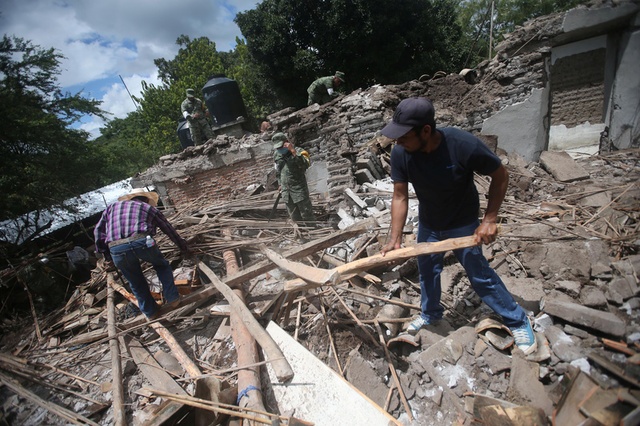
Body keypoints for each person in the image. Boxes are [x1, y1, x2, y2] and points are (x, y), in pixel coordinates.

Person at [379, 97, 537, 355]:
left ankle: (517, 320)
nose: (397, 143)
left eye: (404, 136)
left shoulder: (462, 145)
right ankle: (431, 313)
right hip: (430, 223)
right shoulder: (401, 153)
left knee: (480, 275)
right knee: (427, 269)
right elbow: (399, 195)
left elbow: (500, 176)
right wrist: (395, 237)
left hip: (463, 223)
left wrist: (489, 220)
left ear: (426, 131)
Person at [94, 188, 189, 320]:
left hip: (117, 247)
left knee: (135, 280)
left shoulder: (112, 207)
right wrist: (184, 248)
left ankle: (150, 312)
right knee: (161, 266)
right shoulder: (149, 208)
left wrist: (106, 255)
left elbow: (98, 232)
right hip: (142, 242)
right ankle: (173, 298)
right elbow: (169, 230)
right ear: (145, 199)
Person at [272, 133, 316, 228]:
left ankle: (314, 234)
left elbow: (305, 165)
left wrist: (293, 151)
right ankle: (303, 236)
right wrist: (280, 184)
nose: (279, 149)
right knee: (294, 216)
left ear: (286, 142)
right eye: (277, 148)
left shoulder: (299, 152)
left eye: (281, 146)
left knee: (306, 214)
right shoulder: (276, 155)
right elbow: (278, 171)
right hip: (286, 192)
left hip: (299, 190)